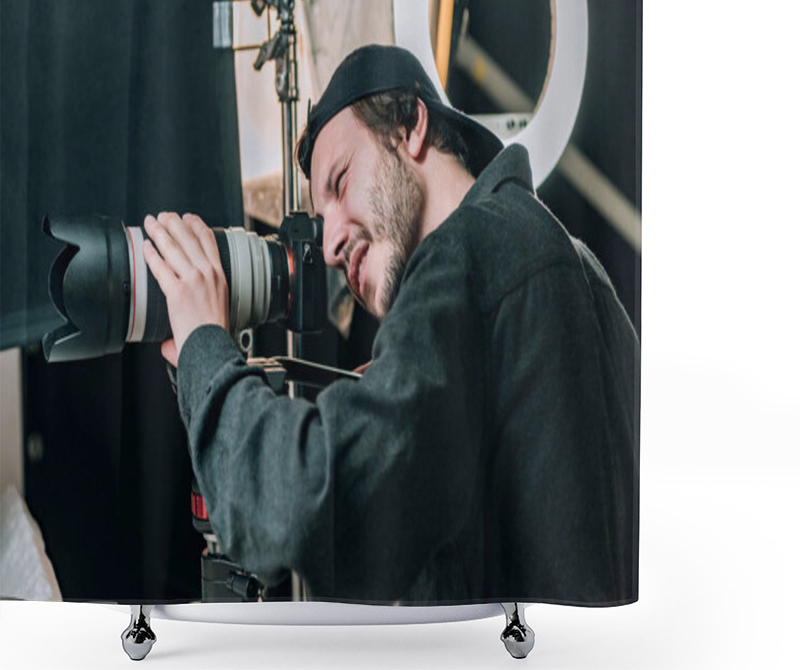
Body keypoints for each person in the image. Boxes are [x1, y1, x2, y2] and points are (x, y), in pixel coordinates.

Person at [143, 44, 639, 605]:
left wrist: (205, 345)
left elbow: (303, 507)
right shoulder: (572, 266)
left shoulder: (464, 256)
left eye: (341, 181)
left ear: (411, 128)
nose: (329, 244)